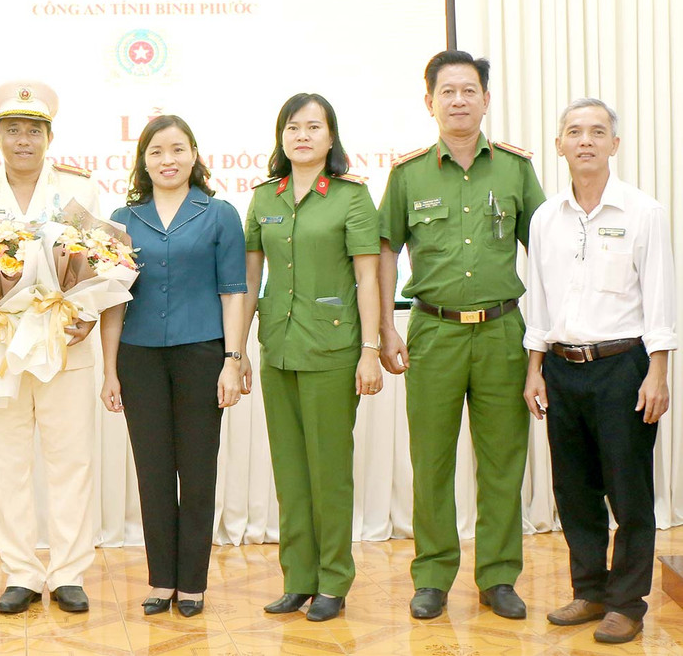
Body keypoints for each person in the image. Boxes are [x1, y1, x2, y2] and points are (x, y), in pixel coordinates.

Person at [378, 50, 546, 620]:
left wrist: (542, 344)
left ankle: (498, 577)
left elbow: (544, 256)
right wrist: (383, 328)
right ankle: (432, 575)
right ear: (429, 102)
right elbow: (383, 251)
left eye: (468, 90)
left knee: (503, 460)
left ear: (486, 100)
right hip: (433, 331)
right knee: (431, 460)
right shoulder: (407, 174)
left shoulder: (517, 170)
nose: (458, 100)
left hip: (504, 332)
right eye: (446, 91)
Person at [522, 98, 676, 645]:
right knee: (575, 489)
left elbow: (660, 298)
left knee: (628, 490)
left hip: (624, 368)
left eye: (597, 131)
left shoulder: (643, 212)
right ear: (560, 144)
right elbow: (539, 301)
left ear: (615, 144)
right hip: (561, 370)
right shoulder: (545, 217)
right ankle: (588, 590)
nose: (585, 140)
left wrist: (657, 373)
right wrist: (534, 367)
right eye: (573, 132)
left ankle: (626, 603)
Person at [0, 80, 102, 615]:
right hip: (1, 342)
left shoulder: (80, 188)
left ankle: (67, 572)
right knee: (5, 462)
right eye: (12, 129)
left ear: (49, 136)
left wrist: (86, 312)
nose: (23, 140)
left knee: (71, 460)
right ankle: (20, 571)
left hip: (64, 341)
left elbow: (101, 258)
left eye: (33, 130)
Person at [100, 114, 247, 618]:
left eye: (178, 149)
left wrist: (233, 359)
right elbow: (113, 299)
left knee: (198, 468)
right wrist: (109, 370)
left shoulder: (219, 213)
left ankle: (193, 583)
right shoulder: (123, 218)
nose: (169, 159)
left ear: (194, 154)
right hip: (138, 357)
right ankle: (161, 580)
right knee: (153, 471)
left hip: (202, 353)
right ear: (143, 160)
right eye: (157, 151)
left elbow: (234, 292)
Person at [241, 94, 382, 622]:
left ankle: (332, 580)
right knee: (290, 470)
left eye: (313, 127)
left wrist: (370, 350)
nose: (302, 135)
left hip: (333, 349)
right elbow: (250, 280)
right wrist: (238, 352)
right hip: (278, 346)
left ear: (330, 138)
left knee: (329, 471)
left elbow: (368, 277)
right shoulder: (264, 199)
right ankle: (297, 579)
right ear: (281, 138)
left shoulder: (350, 198)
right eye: (293, 127)